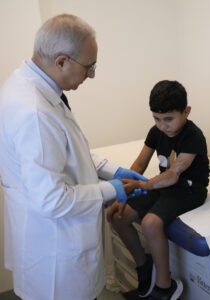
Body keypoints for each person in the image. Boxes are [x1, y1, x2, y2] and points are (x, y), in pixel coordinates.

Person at [0, 14, 147, 300]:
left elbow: (70, 150)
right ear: (61, 61)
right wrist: (112, 189)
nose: (92, 75)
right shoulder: (34, 112)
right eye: (89, 67)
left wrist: (112, 171)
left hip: (49, 241)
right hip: (56, 254)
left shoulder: (30, 86)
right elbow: (52, 199)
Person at [107, 80, 210, 300]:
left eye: (169, 119)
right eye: (156, 119)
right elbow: (138, 166)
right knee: (117, 216)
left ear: (186, 112)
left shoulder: (193, 136)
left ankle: (165, 285)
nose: (162, 126)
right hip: (163, 185)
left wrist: (142, 185)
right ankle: (144, 265)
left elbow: (173, 174)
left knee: (150, 223)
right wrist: (123, 193)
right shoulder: (156, 131)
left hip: (189, 189)